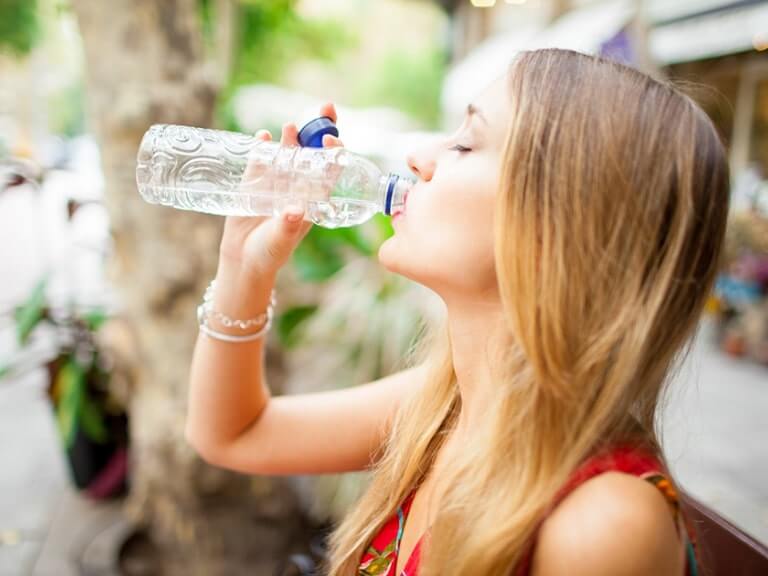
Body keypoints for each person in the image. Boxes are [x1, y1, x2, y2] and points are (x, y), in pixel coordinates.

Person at [185, 48, 729, 576]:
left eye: (466, 144)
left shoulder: (603, 525)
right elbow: (233, 434)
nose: (419, 158)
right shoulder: (445, 408)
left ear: (556, 227)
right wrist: (243, 265)